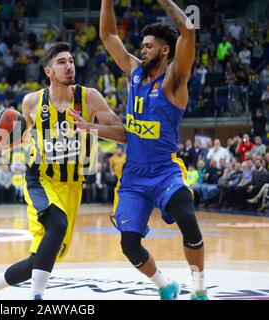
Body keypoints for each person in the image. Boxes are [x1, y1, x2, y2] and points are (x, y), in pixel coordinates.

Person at [0, 41, 125, 300]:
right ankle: (37, 298)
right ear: (49, 72)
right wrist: (3, 142)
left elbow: (123, 134)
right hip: (40, 179)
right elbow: (22, 137)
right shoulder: (31, 102)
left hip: (73, 187)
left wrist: (90, 127)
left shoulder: (90, 97)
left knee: (42, 258)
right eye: (61, 62)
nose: (69, 66)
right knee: (57, 223)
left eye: (71, 61)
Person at [84, 0, 207, 300]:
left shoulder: (175, 81)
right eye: (142, 45)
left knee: (187, 220)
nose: (142, 50)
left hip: (165, 171)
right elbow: (107, 36)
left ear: (165, 50)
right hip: (134, 177)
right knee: (129, 244)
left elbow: (188, 31)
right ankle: (166, 286)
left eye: (149, 46)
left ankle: (199, 289)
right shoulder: (134, 73)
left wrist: (164, 1)